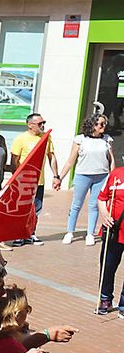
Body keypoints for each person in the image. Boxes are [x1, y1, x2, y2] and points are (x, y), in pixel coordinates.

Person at [60, 113, 114, 245]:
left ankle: (90, 233)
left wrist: (113, 177)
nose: (103, 126)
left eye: (104, 123)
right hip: (83, 175)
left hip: (101, 176)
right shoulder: (80, 139)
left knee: (94, 205)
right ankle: (70, 232)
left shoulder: (107, 139)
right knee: (76, 204)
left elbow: (111, 160)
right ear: (92, 125)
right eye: (100, 124)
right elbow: (70, 161)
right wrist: (59, 178)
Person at [8, 112, 58, 242]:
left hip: (39, 181)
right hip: (24, 181)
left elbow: (51, 157)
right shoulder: (21, 139)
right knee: (21, 209)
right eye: (39, 123)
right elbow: (14, 160)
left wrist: (56, 175)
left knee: (36, 208)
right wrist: (15, 178)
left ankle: (30, 233)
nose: (42, 125)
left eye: (43, 123)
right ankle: (18, 235)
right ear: (30, 125)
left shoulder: (46, 138)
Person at [96, 156, 124, 315]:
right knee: (108, 267)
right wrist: (105, 214)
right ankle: (105, 298)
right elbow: (101, 198)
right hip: (114, 231)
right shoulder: (115, 175)